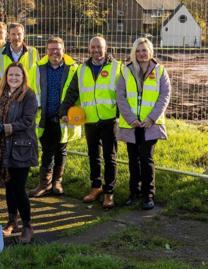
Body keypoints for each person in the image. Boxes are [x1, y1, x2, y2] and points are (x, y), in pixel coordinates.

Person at [59, 36, 121, 209]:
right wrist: (63, 111)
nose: (96, 50)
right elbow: (72, 92)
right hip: (90, 119)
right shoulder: (81, 69)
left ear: (106, 48)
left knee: (110, 157)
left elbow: (123, 94)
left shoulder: (117, 67)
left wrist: (119, 114)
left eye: (99, 47)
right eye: (93, 47)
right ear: (89, 49)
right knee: (93, 156)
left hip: (109, 120)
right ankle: (96, 187)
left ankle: (109, 192)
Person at [0, 62, 38, 243]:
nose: (14, 78)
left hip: (21, 148)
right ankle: (11, 221)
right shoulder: (0, 95)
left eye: (17, 75)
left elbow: (27, 121)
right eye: (11, 75)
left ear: (23, 78)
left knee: (19, 188)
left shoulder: (29, 96)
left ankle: (27, 225)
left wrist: (5, 127)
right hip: (2, 147)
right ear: (6, 77)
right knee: (8, 185)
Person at [116, 37, 171, 210]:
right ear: (134, 52)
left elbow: (164, 96)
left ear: (150, 52)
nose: (141, 54)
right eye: (138, 51)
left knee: (147, 159)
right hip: (131, 124)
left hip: (150, 125)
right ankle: (134, 193)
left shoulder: (160, 71)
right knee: (133, 160)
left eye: (144, 50)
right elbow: (120, 96)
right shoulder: (126, 71)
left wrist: (151, 118)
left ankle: (148, 195)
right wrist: (131, 119)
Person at [28, 37, 82, 197]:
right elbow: (31, 91)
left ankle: (57, 182)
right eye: (51, 49)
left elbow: (78, 94)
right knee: (47, 150)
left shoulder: (73, 69)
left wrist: (70, 112)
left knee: (61, 149)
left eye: (57, 49)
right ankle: (45, 184)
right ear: (46, 51)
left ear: (63, 50)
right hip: (44, 116)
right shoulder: (37, 68)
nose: (54, 52)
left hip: (64, 117)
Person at [0, 23, 39, 97]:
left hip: (27, 96)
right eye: (13, 34)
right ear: (8, 35)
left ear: (23, 35)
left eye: (19, 34)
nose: (16, 37)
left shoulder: (33, 52)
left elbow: (38, 77)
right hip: (6, 97)